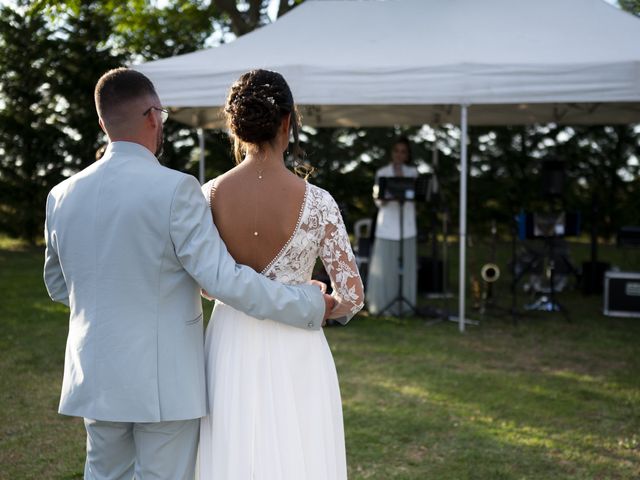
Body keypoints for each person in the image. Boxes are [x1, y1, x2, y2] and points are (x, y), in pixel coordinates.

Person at [43, 67, 335, 480]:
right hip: (163, 380)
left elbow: (59, 285)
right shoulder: (175, 189)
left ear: (103, 120)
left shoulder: (61, 195)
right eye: (160, 112)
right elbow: (223, 280)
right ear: (151, 116)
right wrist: (306, 301)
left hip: (95, 371)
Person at [197, 69, 364, 480]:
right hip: (297, 345)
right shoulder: (320, 203)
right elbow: (352, 296)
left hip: (228, 345)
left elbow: (203, 285)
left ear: (236, 127)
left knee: (233, 453)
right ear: (288, 123)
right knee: (299, 455)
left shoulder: (208, 196)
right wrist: (314, 302)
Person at [366, 137, 418, 315]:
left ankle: (405, 305)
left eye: (403, 151)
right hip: (387, 226)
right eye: (397, 151)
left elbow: (416, 197)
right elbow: (378, 201)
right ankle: (382, 304)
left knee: (406, 269)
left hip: (407, 226)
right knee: (385, 267)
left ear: (407, 155)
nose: (399, 154)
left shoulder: (412, 172)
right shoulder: (383, 172)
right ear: (392, 153)